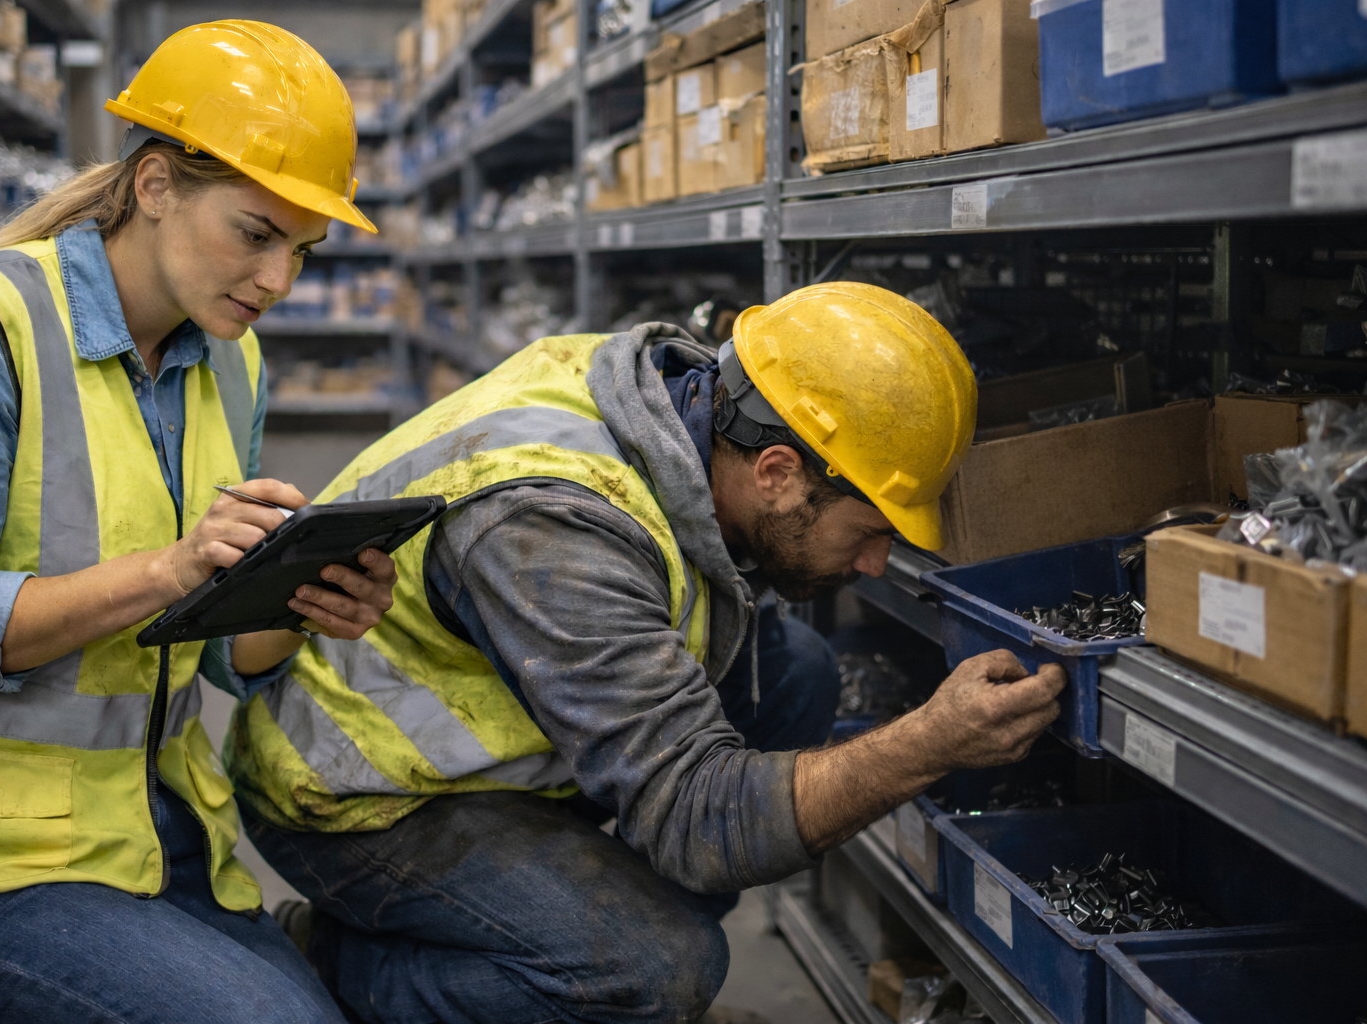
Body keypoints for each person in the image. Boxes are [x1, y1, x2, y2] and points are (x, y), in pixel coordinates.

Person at [228, 283, 1069, 1023]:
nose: (878, 563)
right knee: (658, 968)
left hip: (501, 741)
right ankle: (338, 964)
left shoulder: (668, 398)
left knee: (795, 676)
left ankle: (563, 956)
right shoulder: (554, 532)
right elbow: (703, 824)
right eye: (872, 532)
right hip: (357, 791)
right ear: (776, 472)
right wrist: (929, 745)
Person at [0, 22, 398, 1024]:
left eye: (301, 252)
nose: (277, 283)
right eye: (255, 235)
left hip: (154, 836)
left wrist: (296, 602)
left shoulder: (231, 357)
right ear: (153, 185)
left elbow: (223, 658)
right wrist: (168, 571)